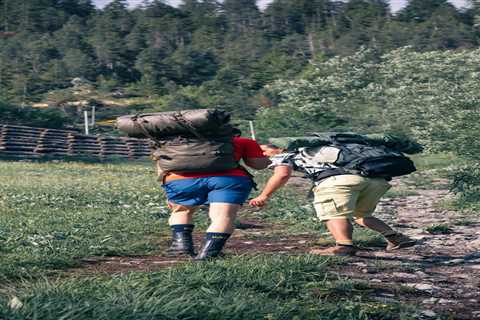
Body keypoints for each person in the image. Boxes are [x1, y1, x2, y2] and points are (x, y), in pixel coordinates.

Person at [250, 143, 416, 256]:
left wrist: (264, 195)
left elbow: (282, 174)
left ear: (278, 148)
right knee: (362, 214)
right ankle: (395, 238)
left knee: (334, 214)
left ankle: (344, 246)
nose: (263, 155)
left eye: (264, 151)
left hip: (338, 181)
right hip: (375, 180)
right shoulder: (317, 149)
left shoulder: (285, 155)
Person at [162, 135, 270, 260]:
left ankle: (181, 247)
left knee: (182, 211)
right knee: (222, 216)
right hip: (227, 179)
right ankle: (209, 254)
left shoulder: (175, 143)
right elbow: (257, 165)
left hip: (181, 181)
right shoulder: (241, 141)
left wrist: (168, 188)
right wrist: (268, 160)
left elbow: (163, 166)